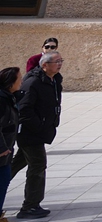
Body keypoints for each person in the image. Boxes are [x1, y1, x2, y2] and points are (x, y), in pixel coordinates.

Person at [11, 50, 63, 220]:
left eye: (61, 61)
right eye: (56, 61)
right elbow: (24, 110)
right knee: (38, 166)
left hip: (39, 131)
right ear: (44, 65)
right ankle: (30, 206)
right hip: (30, 133)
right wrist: (39, 126)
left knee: (14, 165)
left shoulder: (53, 80)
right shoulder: (33, 81)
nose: (60, 64)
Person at [0, 67, 21, 220]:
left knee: (4, 181)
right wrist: (2, 148)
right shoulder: (2, 100)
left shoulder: (10, 97)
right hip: (2, 151)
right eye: (19, 78)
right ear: (10, 83)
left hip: (6, 150)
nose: (21, 80)